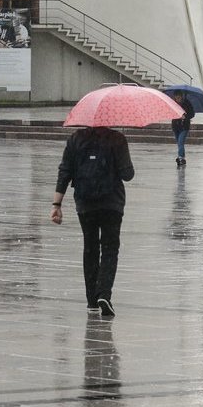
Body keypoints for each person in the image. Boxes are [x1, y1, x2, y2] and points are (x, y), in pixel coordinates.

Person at [52, 125, 136, 317]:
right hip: (112, 203)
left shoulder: (75, 139)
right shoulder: (117, 139)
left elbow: (65, 171)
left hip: (85, 202)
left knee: (90, 248)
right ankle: (104, 293)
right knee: (110, 248)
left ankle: (91, 299)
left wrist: (56, 204)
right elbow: (127, 174)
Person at [168, 90, 194, 168]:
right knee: (179, 143)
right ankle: (182, 158)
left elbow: (192, 114)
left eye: (179, 97)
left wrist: (185, 116)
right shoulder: (173, 103)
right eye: (176, 97)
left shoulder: (187, 103)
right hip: (175, 126)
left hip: (184, 126)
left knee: (180, 142)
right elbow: (170, 112)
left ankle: (180, 157)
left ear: (182, 96)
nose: (178, 99)